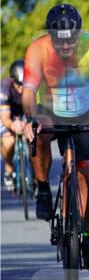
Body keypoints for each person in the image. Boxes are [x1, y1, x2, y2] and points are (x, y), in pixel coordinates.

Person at [21, 4, 89, 270]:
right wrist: (31, 118)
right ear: (50, 36)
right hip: (50, 110)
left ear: (79, 34)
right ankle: (42, 189)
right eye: (59, 41)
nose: (66, 46)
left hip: (83, 113)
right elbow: (28, 91)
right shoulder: (37, 49)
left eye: (71, 39)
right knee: (39, 132)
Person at [0, 60, 27, 190]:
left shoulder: (33, 85)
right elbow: (4, 118)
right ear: (12, 81)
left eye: (25, 84)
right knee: (8, 142)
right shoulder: (5, 87)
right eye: (19, 84)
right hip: (8, 114)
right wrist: (13, 125)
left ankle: (34, 174)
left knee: (35, 139)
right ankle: (9, 167)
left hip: (25, 112)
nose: (22, 88)